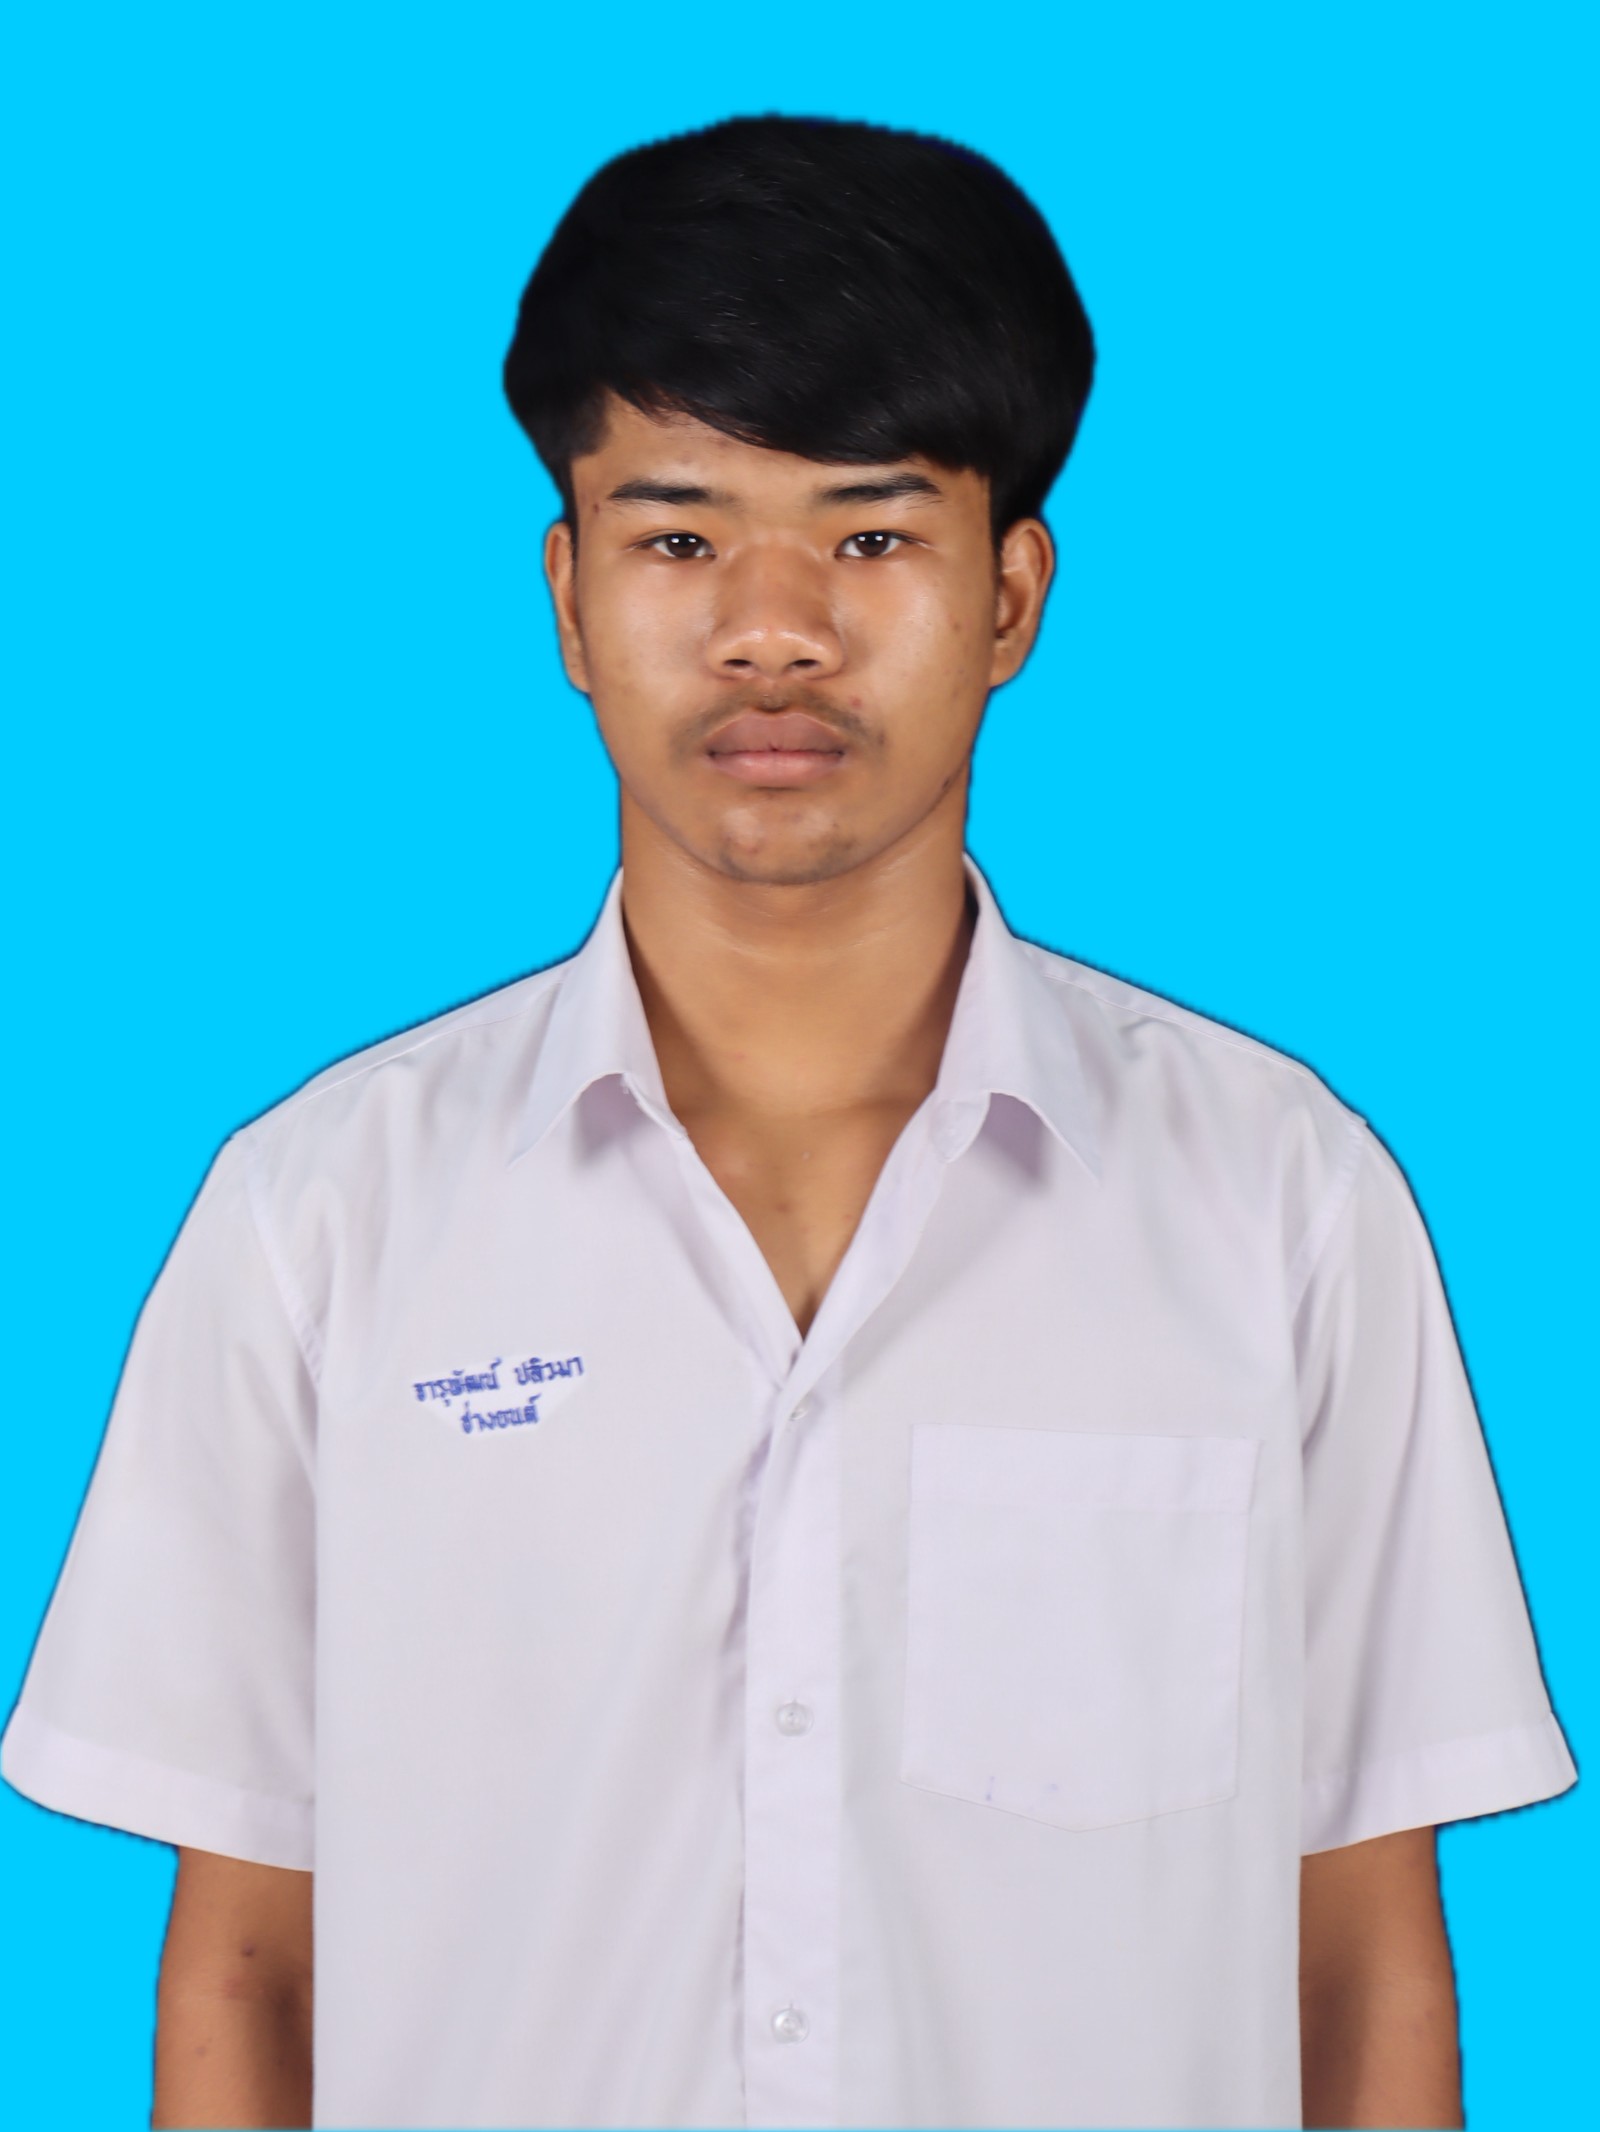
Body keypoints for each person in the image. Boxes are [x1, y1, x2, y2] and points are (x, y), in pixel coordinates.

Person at [1, 114, 1576, 2132]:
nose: (773, 629)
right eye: (677, 539)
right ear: (568, 598)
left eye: (868, 537)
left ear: (1010, 595)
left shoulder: (1279, 1204)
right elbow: (249, 1959)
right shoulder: (320, 1217)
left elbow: (1357, 1952)